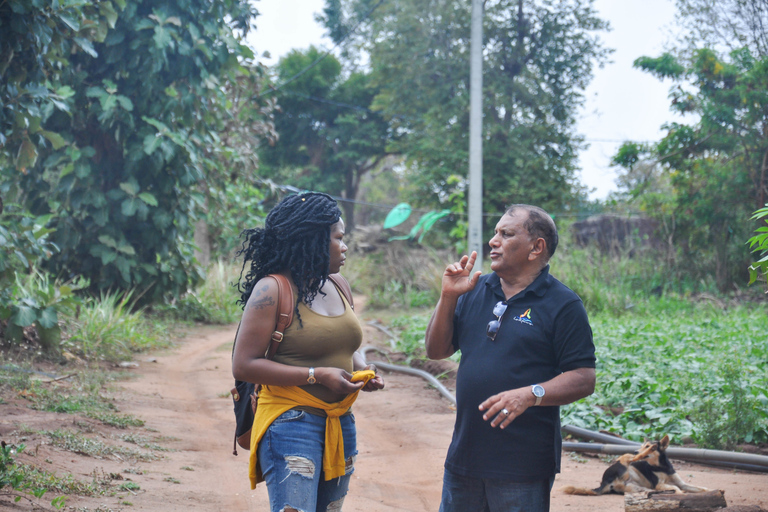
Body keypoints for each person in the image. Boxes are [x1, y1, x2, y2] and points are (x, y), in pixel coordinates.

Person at [425, 204, 596, 512]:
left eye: (506, 234)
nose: (494, 241)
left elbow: (583, 377)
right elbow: (436, 351)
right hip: (465, 457)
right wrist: (449, 296)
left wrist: (531, 394)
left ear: (536, 247)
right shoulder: (475, 289)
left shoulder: (563, 304)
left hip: (522, 466)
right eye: (495, 233)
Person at [231, 192, 384, 512]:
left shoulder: (339, 284)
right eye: (338, 238)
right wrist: (316, 376)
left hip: (340, 422)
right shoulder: (272, 289)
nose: (344, 247)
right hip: (290, 423)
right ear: (313, 240)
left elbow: (344, 346)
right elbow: (244, 365)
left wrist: (363, 369)